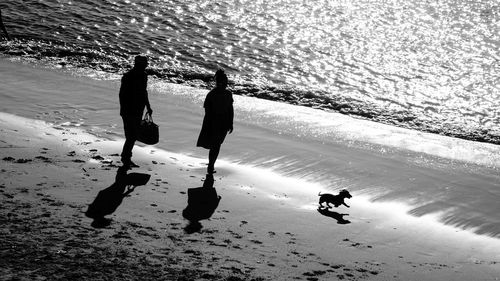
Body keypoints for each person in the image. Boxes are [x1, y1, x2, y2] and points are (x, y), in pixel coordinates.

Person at [196, 69, 234, 174]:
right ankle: (211, 165)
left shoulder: (227, 94)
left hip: (223, 123)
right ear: (220, 82)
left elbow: (230, 109)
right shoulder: (212, 94)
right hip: (215, 123)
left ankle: (211, 164)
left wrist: (230, 123)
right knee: (215, 145)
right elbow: (208, 112)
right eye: (225, 82)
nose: (226, 84)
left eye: (227, 82)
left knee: (216, 145)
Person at [119, 55, 152, 169]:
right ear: (139, 65)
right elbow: (122, 95)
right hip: (129, 111)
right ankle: (126, 158)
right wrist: (124, 109)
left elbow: (144, 92)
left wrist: (148, 106)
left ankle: (126, 157)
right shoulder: (128, 76)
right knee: (131, 136)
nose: (145, 67)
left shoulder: (143, 76)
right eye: (144, 65)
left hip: (138, 110)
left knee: (132, 136)